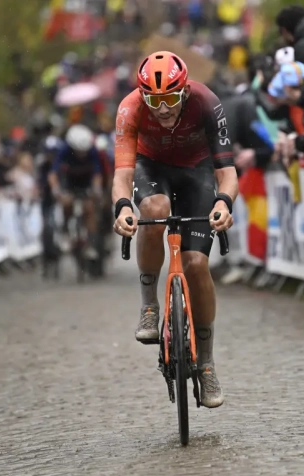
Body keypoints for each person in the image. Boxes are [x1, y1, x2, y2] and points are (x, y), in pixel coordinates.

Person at [111, 51, 238, 409]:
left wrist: (223, 203)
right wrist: (122, 209)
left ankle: (207, 363)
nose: (162, 108)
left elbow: (227, 173)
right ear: (142, 96)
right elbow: (122, 176)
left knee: (197, 265)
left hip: (196, 170)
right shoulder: (129, 108)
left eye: (169, 99)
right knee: (154, 209)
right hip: (150, 168)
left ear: (184, 92)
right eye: (154, 100)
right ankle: (150, 306)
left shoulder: (206, 102)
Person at [49, 124, 103, 260]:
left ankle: (90, 243)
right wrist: (56, 190)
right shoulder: (64, 151)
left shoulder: (92, 151)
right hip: (69, 183)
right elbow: (53, 174)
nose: (82, 154)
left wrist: (96, 188)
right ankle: (66, 232)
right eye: (78, 151)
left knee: (89, 209)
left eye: (84, 151)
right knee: (66, 205)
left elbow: (97, 174)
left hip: (86, 184)